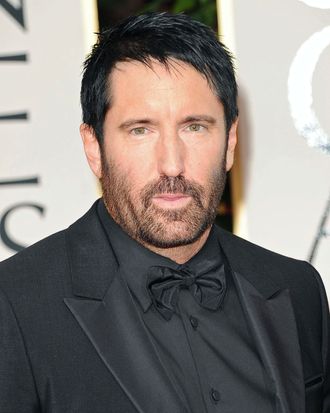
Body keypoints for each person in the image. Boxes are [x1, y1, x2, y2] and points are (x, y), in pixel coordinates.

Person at [0, 12, 328, 413]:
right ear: (94, 147)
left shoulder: (298, 290)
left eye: (195, 127)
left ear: (230, 141)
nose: (172, 164)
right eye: (141, 129)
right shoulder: (15, 306)